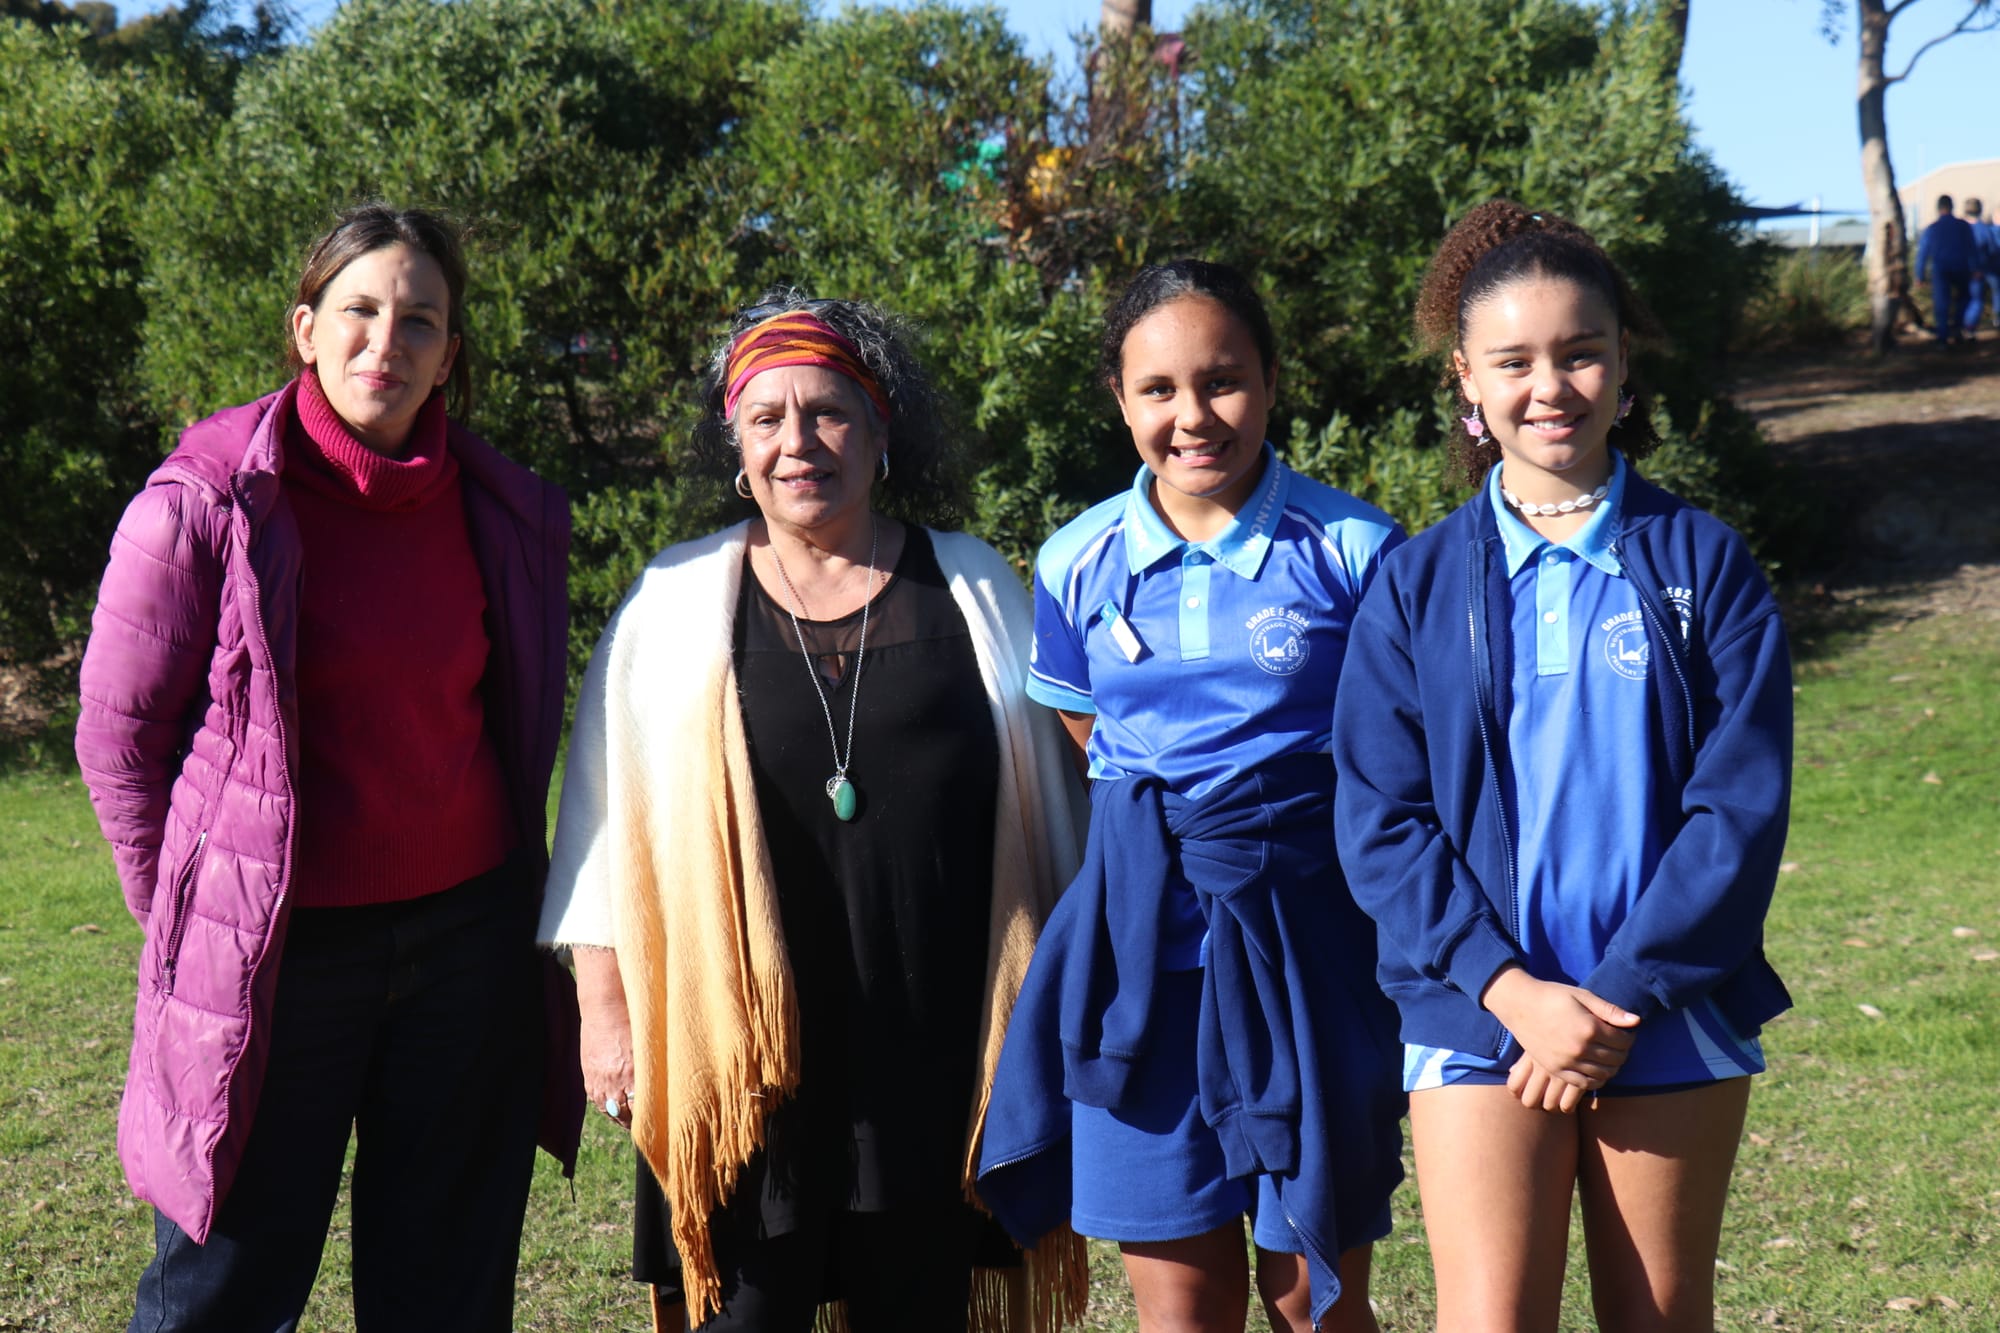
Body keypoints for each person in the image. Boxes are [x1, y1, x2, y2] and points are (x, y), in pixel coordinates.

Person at [74, 203, 584, 1330]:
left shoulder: (502, 507)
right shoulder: (205, 499)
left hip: (466, 951)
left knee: (443, 1294)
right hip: (282, 964)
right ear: (305, 326)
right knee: (225, 1290)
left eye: (419, 321)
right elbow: (118, 742)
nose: (384, 344)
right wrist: (189, 920)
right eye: (358, 310)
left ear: (451, 352)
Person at [536, 292, 1087, 1333]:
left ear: (879, 432)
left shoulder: (969, 584)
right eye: (768, 419)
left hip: (935, 1048)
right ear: (737, 449)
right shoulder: (674, 600)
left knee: (916, 1311)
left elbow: (1058, 809)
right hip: (744, 1055)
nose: (799, 442)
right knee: (745, 1314)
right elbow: (603, 822)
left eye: (828, 412)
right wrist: (603, 1013)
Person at [1330, 200, 1794, 1332]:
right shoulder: (1415, 583)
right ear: (1466, 383)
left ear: (1622, 369)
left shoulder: (1704, 562)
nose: (1550, 386)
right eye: (1514, 361)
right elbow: (1378, 818)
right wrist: (1514, 993)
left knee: (1658, 1315)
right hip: (1481, 1012)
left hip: (1665, 1008)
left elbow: (1737, 810)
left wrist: (1620, 996)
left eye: (1579, 353)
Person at [976, 260, 1408, 1333]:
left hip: (1309, 952)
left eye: (1220, 380)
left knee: (1316, 1297)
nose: (1191, 415)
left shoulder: (1356, 549)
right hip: (1141, 968)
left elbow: (1394, 754)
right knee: (1181, 1308)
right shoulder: (1076, 561)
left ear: (1268, 380)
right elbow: (1094, 738)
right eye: (1157, 389)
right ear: (1119, 402)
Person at [1915, 193, 1976, 346]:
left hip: (1940, 269)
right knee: (1965, 298)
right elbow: (1972, 248)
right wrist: (1976, 267)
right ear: (1952, 207)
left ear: (1938, 209)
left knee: (1942, 303)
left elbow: (1922, 253)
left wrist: (1919, 275)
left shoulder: (1932, 229)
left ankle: (1943, 337)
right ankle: (1957, 326)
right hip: (1961, 267)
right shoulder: (1962, 226)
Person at [1961, 197, 2000, 333]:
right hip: (1978, 269)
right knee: (1976, 300)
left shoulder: (1959, 227)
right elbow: (1992, 249)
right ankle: (1970, 327)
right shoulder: (1983, 229)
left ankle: (1960, 326)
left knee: (1963, 299)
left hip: (1959, 269)